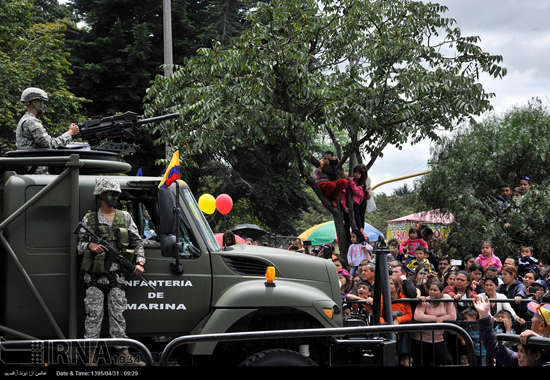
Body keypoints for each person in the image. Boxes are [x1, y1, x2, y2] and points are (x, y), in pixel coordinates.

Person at [77, 178, 146, 367]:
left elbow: (137, 242)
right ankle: (90, 358)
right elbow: (79, 246)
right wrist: (90, 245)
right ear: (100, 195)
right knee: (93, 317)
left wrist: (140, 262)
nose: (115, 196)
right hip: (95, 277)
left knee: (118, 315)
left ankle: (123, 355)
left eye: (117, 194)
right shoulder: (90, 219)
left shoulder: (125, 217)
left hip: (117, 276)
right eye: (111, 193)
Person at [16, 87, 80, 173]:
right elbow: (49, 144)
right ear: (35, 103)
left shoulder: (25, 119)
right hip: (36, 173)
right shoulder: (31, 121)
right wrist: (70, 133)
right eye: (42, 102)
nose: (44, 106)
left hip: (31, 171)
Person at [473, 295, 550, 366]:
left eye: (522, 351)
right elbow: (493, 347)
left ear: (537, 356)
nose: (517, 355)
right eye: (518, 350)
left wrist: (540, 339)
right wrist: (484, 315)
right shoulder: (523, 360)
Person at [411, 280, 456, 366]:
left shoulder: (446, 298)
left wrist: (440, 319)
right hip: (421, 338)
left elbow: (452, 316)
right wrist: (434, 319)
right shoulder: (425, 300)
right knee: (423, 363)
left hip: (438, 338)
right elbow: (417, 316)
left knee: (448, 360)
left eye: (435, 290)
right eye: (431, 289)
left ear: (441, 292)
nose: (432, 292)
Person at [341, 164, 367, 239]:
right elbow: (343, 195)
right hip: (347, 205)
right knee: (347, 222)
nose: (356, 174)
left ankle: (358, 236)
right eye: (355, 172)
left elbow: (356, 191)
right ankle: (348, 238)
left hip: (355, 205)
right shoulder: (348, 183)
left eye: (359, 173)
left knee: (357, 221)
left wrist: (351, 182)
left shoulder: (361, 185)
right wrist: (344, 206)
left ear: (361, 175)